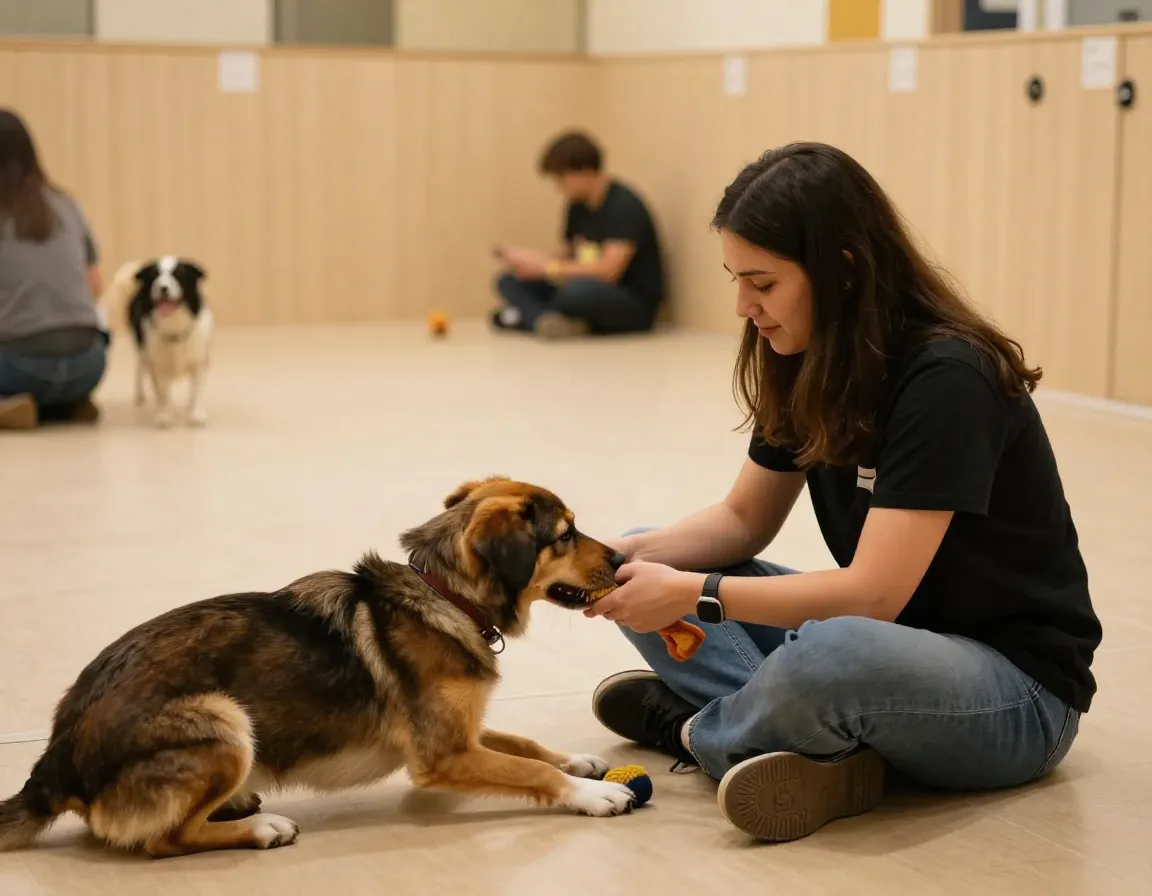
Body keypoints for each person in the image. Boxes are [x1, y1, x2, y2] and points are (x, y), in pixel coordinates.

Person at [585, 142, 1102, 842]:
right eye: (736, 279)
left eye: (763, 284)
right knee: (643, 567)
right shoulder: (804, 357)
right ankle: (805, 740)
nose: (743, 307)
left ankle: (696, 731)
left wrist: (693, 594)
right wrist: (608, 556)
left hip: (1016, 695)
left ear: (844, 271)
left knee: (832, 652)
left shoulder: (947, 378)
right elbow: (742, 521)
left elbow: (872, 595)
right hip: (892, 642)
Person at [492, 131, 665, 339]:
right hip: (584, 286)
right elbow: (566, 257)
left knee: (574, 292)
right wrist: (534, 264)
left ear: (584, 170)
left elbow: (609, 271)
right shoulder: (577, 207)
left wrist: (548, 268)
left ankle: (531, 317)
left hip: (628, 300)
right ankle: (545, 321)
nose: (559, 188)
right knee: (508, 280)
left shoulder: (624, 205)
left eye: (561, 178)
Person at [0, 108, 107, 430]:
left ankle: (14, 402)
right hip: (90, 364)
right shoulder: (65, 203)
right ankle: (66, 402)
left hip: (16, 366)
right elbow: (95, 284)